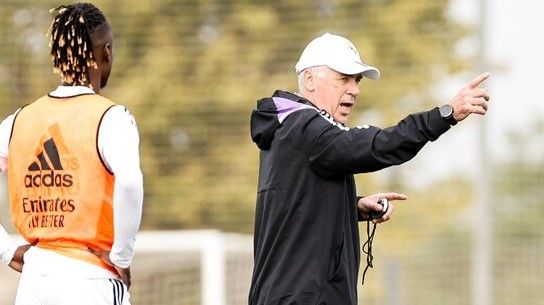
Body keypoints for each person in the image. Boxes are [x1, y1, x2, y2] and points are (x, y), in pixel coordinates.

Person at [249, 32, 490, 305]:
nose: (354, 89)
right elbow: (379, 145)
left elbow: (297, 205)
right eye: (343, 78)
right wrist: (445, 115)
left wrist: (353, 206)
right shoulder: (304, 127)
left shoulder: (290, 129)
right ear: (309, 80)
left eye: (357, 80)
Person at [0, 3, 143, 305]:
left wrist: (7, 249)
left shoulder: (16, 121)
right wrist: (122, 256)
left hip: (34, 283)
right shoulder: (112, 117)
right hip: (90, 279)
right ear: (106, 52)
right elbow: (129, 183)